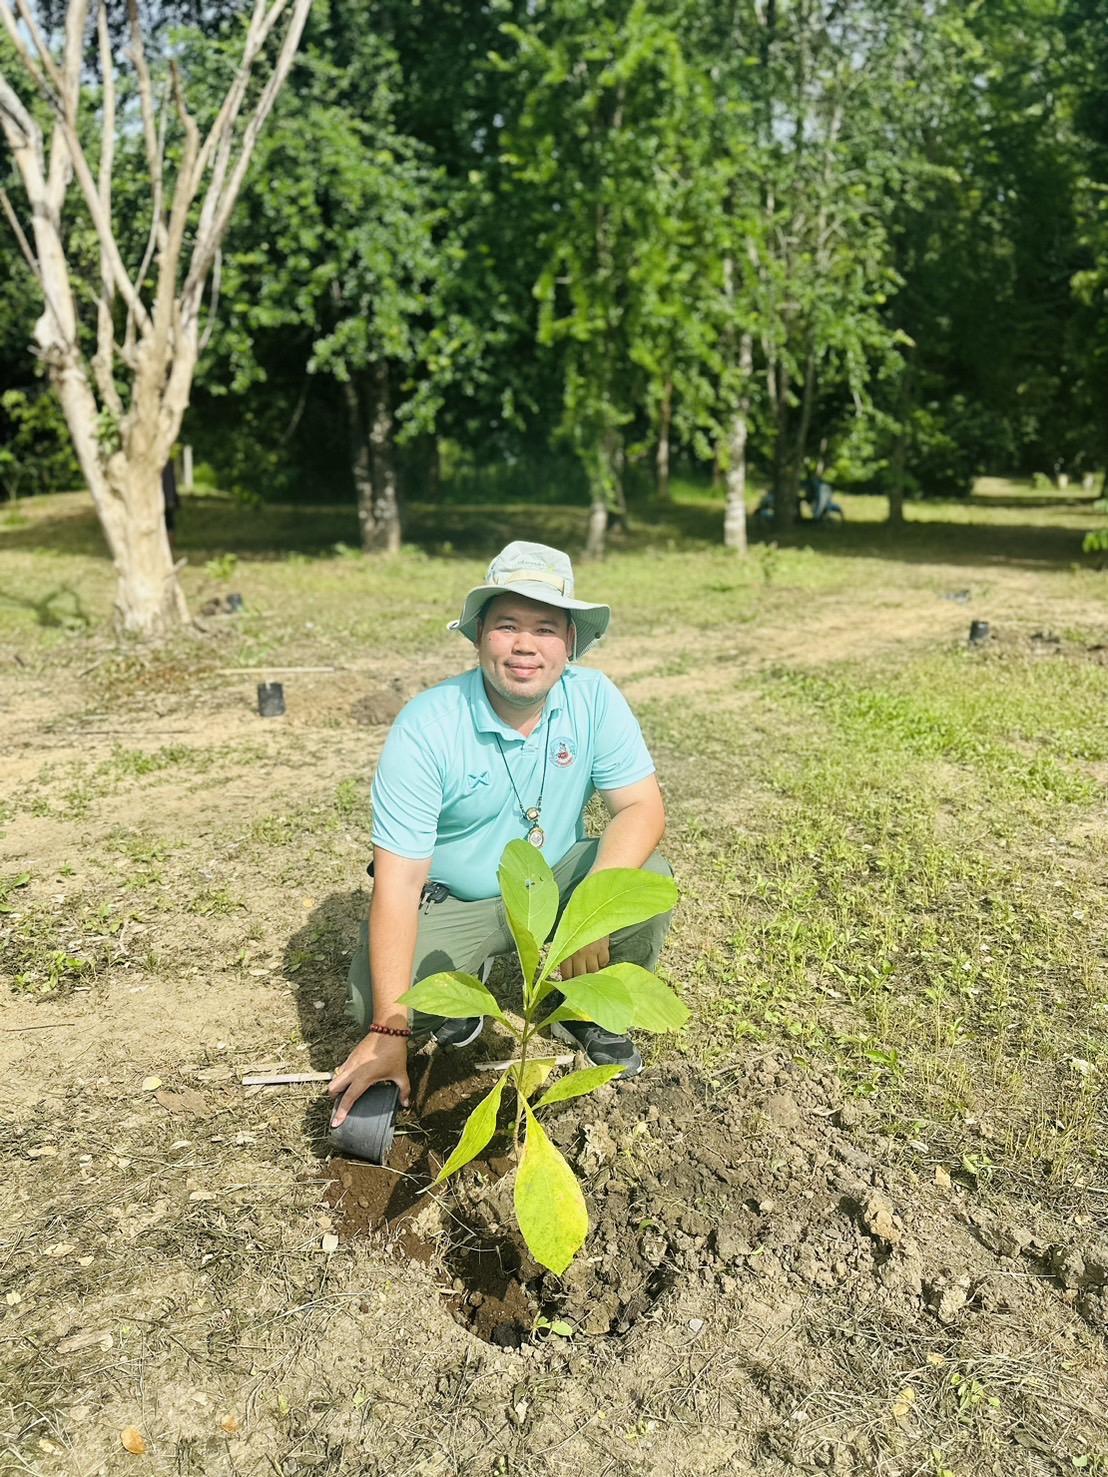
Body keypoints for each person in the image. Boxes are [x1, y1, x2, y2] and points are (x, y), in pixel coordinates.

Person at [329, 541, 673, 1128]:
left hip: (553, 882)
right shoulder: (427, 727)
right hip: (457, 898)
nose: (524, 645)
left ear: (569, 642)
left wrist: (593, 909)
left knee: (646, 877)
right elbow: (399, 881)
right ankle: (467, 985)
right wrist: (389, 1029)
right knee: (378, 1002)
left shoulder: (593, 700)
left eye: (544, 627)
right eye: (507, 624)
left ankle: (584, 1009)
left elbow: (642, 806)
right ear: (479, 635)